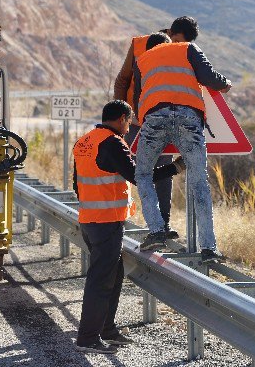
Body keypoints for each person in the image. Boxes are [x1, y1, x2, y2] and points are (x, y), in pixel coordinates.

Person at [73, 100, 185, 354]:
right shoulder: (112, 142)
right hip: (106, 221)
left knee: (114, 273)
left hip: (90, 220)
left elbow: (77, 183)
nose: (129, 127)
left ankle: (107, 329)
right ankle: (87, 338)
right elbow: (138, 176)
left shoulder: (85, 140)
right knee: (101, 280)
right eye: (129, 121)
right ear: (123, 118)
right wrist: (175, 167)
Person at [133, 22, 232, 264]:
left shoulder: (142, 60)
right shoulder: (188, 48)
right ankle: (209, 248)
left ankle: (157, 231)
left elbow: (138, 101)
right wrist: (225, 83)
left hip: (155, 119)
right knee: (199, 182)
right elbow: (210, 78)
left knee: (144, 174)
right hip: (189, 118)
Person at [113, 17, 198, 239]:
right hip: (135, 121)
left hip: (166, 118)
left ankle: (162, 226)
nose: (179, 45)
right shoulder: (139, 44)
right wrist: (119, 119)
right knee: (129, 170)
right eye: (177, 40)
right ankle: (117, 219)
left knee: (162, 172)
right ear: (170, 32)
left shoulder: (185, 49)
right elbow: (123, 80)